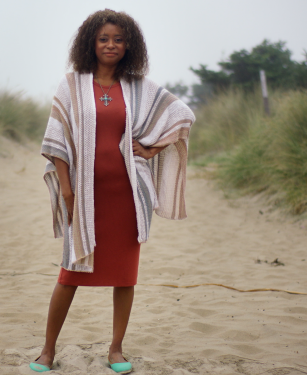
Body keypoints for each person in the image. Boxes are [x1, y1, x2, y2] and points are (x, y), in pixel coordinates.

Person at [31, 9, 195, 373]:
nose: (111, 45)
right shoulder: (72, 84)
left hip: (126, 194)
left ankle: (116, 349)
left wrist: (150, 149)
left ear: (129, 44)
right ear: (91, 42)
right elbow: (57, 142)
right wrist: (69, 192)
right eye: (104, 38)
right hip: (86, 195)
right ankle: (47, 350)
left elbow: (181, 114)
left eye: (119, 39)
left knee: (124, 275)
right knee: (70, 272)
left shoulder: (138, 86)